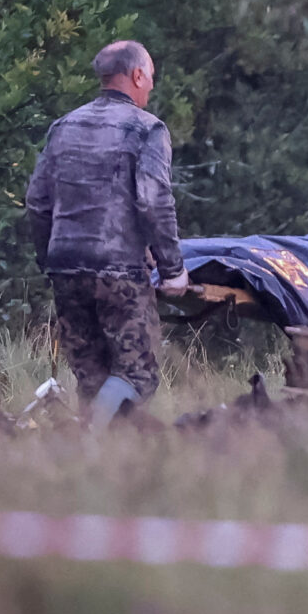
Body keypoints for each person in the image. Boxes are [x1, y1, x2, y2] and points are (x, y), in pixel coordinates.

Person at [26, 40, 189, 429]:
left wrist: (50, 259)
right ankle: (88, 441)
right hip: (119, 272)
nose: (152, 86)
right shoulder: (147, 128)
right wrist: (172, 269)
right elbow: (153, 200)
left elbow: (36, 202)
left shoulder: (63, 127)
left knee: (92, 376)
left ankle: (96, 459)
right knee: (138, 375)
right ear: (137, 75)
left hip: (64, 267)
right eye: (151, 77)